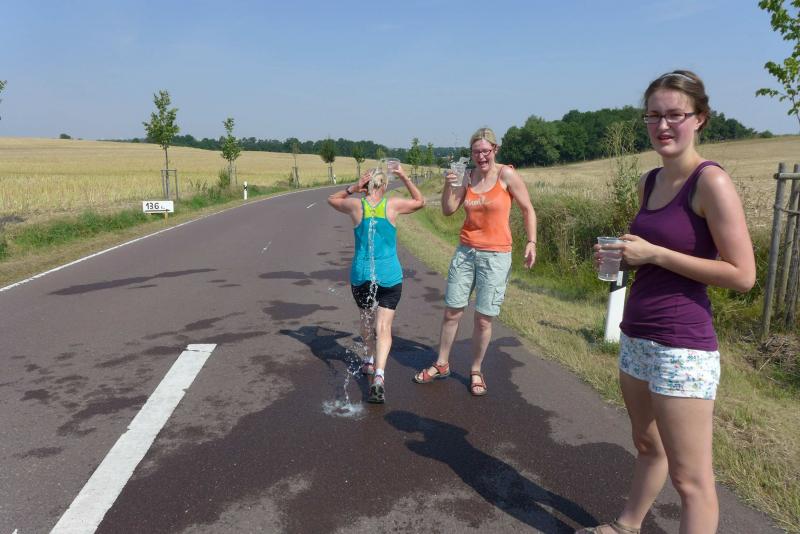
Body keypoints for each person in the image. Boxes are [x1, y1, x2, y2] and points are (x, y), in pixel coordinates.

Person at [577, 71, 756, 534]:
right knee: (646, 444)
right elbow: (652, 254)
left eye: (675, 114)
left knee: (690, 479)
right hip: (637, 335)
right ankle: (627, 526)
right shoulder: (650, 180)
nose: (662, 125)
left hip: (683, 347)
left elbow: (743, 275)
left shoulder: (710, 182)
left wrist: (654, 254)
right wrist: (626, 258)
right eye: (653, 115)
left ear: (700, 118)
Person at [413, 127, 537, 396]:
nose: (481, 156)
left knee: (483, 319)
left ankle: (476, 370)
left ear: (495, 150)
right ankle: (442, 363)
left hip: (496, 256)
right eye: (476, 152)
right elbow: (448, 210)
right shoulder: (467, 176)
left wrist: (531, 242)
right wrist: (449, 184)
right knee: (452, 311)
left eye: (485, 151)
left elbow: (528, 208)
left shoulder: (506, 175)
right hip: (466, 252)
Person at [328, 165, 425, 403]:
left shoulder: (356, 206)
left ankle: (368, 360)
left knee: (366, 321)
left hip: (362, 276)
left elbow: (332, 199)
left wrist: (352, 188)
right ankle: (379, 376)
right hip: (389, 276)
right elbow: (420, 201)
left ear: (366, 185)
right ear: (385, 185)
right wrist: (404, 176)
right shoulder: (392, 205)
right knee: (383, 328)